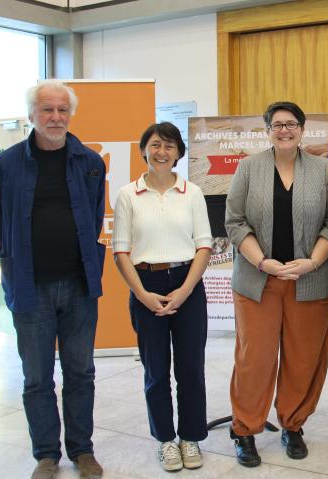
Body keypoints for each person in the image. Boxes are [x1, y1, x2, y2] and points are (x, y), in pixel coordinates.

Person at [0, 79, 106, 479]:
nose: (56, 117)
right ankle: (46, 455)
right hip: (30, 287)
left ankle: (82, 451)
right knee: (37, 377)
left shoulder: (89, 162)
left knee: (80, 372)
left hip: (79, 286)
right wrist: (12, 267)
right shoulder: (6, 165)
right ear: (31, 115)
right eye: (47, 110)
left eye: (62, 110)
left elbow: (91, 219)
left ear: (70, 114)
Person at [224, 101, 328, 467]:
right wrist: (262, 261)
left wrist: (312, 261)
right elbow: (234, 221)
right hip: (257, 280)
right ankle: (245, 430)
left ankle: (293, 424)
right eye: (277, 124)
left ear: (302, 130)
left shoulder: (324, 170)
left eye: (291, 124)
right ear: (267, 131)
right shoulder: (248, 168)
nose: (284, 130)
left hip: (311, 281)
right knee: (254, 359)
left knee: (303, 359)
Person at [111, 122, 212, 472]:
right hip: (146, 283)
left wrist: (184, 291)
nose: (162, 152)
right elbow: (120, 250)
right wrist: (141, 294)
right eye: (155, 145)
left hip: (188, 282)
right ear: (144, 150)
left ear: (179, 153)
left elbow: (204, 245)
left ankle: (190, 437)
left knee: (190, 369)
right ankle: (166, 440)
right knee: (156, 371)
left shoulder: (192, 192)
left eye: (169, 146)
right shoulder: (128, 194)